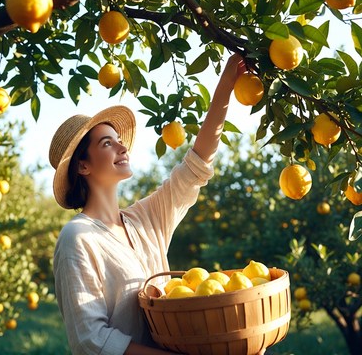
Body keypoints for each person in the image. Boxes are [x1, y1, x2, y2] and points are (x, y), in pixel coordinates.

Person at [49, 53, 247, 355]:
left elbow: (195, 167)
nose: (122, 145)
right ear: (82, 167)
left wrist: (226, 85)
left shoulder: (144, 219)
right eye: (107, 143)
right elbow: (91, 339)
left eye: (119, 139)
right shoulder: (77, 238)